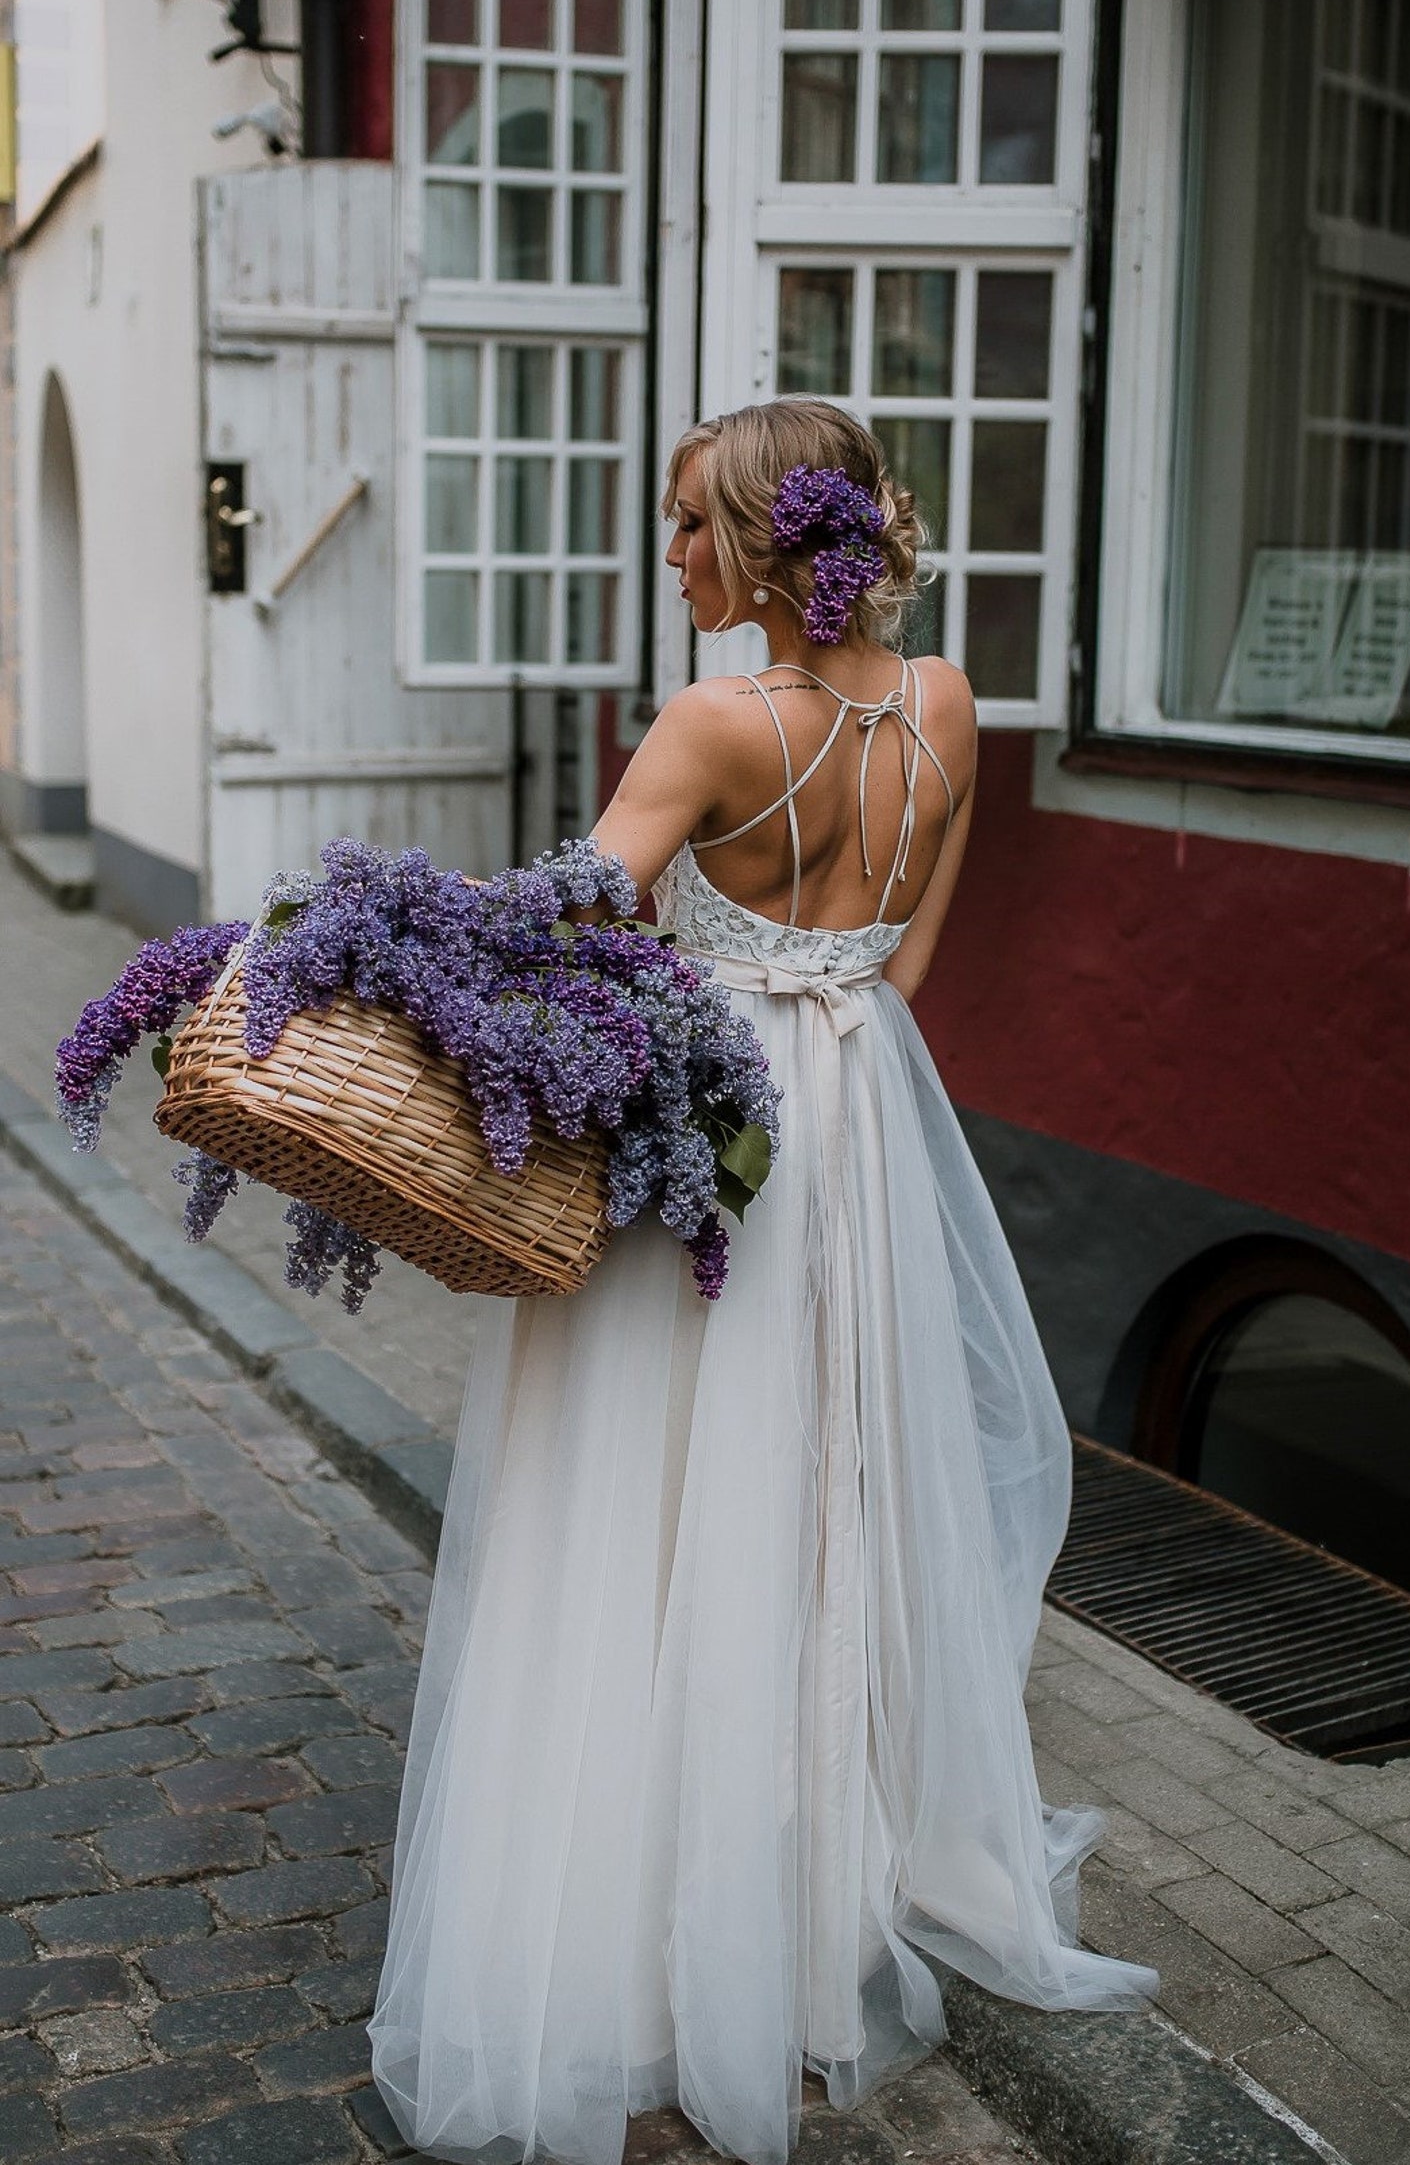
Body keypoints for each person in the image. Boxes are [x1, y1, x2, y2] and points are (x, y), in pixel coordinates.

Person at [367, 399, 1159, 2165]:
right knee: (828, 1486)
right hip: (860, 1112)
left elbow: (559, 931)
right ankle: (810, 1885)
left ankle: (657, 1899)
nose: (669, 562)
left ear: (756, 544)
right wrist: (820, 1014)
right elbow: (909, 957)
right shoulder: (947, 703)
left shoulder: (715, 724)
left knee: (653, 1489)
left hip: (709, 1130)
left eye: (684, 529)